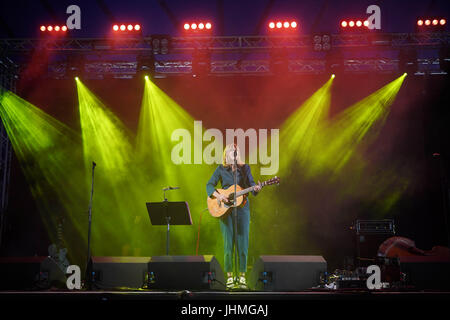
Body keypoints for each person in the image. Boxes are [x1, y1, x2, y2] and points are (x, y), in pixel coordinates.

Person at [206, 143, 261, 289]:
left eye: (235, 151)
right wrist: (219, 196)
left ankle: (242, 276)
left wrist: (257, 188)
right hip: (225, 210)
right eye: (231, 150)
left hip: (242, 209)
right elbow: (209, 186)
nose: (233, 152)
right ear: (226, 154)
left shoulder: (245, 169)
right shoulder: (221, 169)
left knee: (243, 243)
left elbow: (253, 188)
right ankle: (230, 276)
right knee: (228, 244)